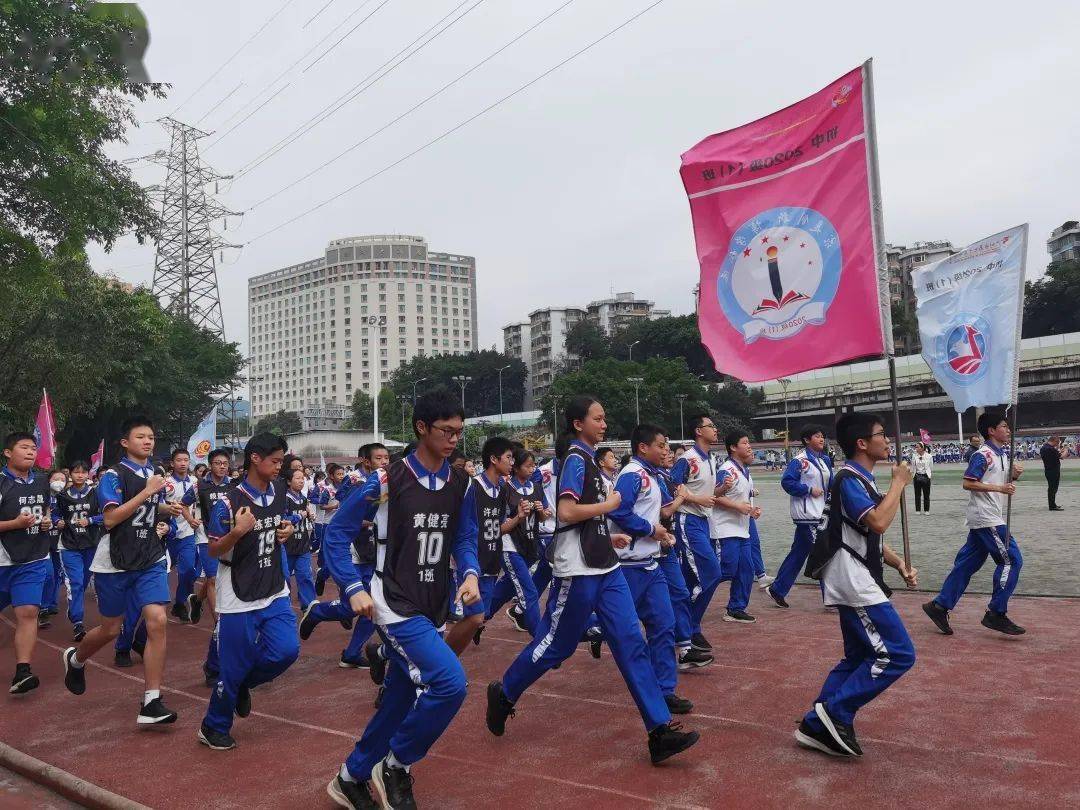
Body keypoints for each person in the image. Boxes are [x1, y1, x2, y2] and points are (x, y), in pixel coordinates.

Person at [485, 396, 699, 766]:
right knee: (557, 646)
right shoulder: (575, 459)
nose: (604, 424)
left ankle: (659, 730)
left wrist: (608, 533)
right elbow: (567, 511)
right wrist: (611, 505)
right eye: (597, 419)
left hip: (606, 564)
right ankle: (505, 692)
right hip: (578, 569)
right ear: (577, 423)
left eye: (604, 418)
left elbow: (585, 516)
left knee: (631, 641)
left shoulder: (594, 465)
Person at [323, 392, 480, 809]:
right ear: (421, 428)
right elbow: (336, 535)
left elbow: (464, 538)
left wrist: (469, 573)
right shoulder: (387, 481)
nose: (453, 440)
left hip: (435, 602)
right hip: (393, 601)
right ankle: (396, 764)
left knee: (401, 698)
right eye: (446, 431)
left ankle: (351, 775)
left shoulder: (461, 484)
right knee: (449, 683)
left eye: (459, 433)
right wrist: (353, 589)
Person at [795, 412, 917, 758]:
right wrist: (899, 484)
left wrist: (898, 564)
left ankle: (815, 724)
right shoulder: (849, 478)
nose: (888, 440)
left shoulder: (858, 479)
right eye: (882, 435)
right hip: (852, 578)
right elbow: (878, 522)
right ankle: (835, 712)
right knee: (898, 653)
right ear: (862, 443)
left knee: (860, 655)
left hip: (853, 572)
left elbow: (862, 533)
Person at [62, 416, 182, 725]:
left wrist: (168, 508)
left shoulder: (152, 473)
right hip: (114, 561)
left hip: (150, 557)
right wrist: (148, 492)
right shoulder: (112, 476)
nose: (148, 441)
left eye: (151, 437)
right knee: (111, 629)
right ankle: (75, 659)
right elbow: (112, 519)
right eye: (141, 436)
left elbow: (147, 507)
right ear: (125, 442)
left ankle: (151, 701)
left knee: (157, 621)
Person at [197, 433, 301, 750]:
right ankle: (213, 725)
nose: (280, 466)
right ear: (255, 458)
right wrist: (238, 532)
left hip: (273, 587)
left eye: (282, 460)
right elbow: (214, 549)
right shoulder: (229, 502)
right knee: (233, 667)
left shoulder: (280, 490)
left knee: (286, 650)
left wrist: (287, 528)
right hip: (238, 593)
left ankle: (243, 684)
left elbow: (282, 520)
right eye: (275, 461)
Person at [608, 423, 694, 715]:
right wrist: (649, 530)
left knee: (664, 625)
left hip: (651, 564)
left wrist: (661, 535)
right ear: (643, 447)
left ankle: (664, 690)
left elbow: (652, 514)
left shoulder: (651, 475)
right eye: (661, 445)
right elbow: (619, 512)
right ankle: (585, 630)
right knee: (622, 633)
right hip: (628, 567)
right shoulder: (632, 475)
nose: (666, 451)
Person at [923, 411, 1026, 637]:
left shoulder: (1002, 455)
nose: (1009, 430)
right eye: (1004, 426)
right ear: (991, 431)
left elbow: (996, 481)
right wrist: (1001, 488)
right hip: (987, 517)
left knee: (967, 565)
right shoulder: (983, 455)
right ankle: (996, 612)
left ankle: (939, 606)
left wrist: (1014, 476)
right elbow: (968, 483)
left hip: (985, 517)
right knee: (1011, 560)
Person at [449, 436, 526, 652]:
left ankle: (444, 663)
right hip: (471, 562)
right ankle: (444, 666)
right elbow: (462, 528)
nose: (512, 462)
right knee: (473, 617)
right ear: (494, 459)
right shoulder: (472, 488)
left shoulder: (501, 490)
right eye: (509, 457)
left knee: (478, 618)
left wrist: (518, 518)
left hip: (492, 563)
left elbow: (499, 528)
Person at [1, 432, 54, 694]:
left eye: (34, 448)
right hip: (2, 560)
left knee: (28, 612)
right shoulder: (1, 483)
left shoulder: (42, 481)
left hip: (32, 558)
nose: (31, 452)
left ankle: (23, 671)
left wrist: (46, 521)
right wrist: (15, 525)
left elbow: (46, 510)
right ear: (8, 453)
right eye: (24, 448)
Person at [670, 414, 723, 653]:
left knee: (691, 579)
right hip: (688, 521)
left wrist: (722, 489)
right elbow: (673, 485)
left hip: (704, 521)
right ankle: (689, 626)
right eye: (710, 426)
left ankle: (685, 628)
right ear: (698, 431)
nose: (715, 429)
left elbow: (707, 493)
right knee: (712, 573)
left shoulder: (711, 459)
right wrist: (695, 498)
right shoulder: (688, 459)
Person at [485, 446, 548, 636]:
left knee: (506, 588)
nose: (532, 469)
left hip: (530, 544)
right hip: (510, 545)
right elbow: (500, 524)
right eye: (528, 466)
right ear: (517, 467)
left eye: (534, 466)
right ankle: (539, 638)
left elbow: (544, 517)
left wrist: (540, 511)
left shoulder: (536, 487)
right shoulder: (505, 489)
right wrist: (519, 516)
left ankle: (480, 618)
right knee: (529, 593)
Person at [768, 424, 832, 609]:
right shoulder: (799, 461)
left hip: (822, 514)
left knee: (799, 553)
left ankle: (778, 589)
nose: (821, 439)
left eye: (823, 436)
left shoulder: (825, 460)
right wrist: (809, 490)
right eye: (817, 436)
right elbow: (787, 482)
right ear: (806, 440)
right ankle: (832, 597)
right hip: (807, 515)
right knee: (823, 554)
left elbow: (832, 484)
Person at [712, 431, 761, 624]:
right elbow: (713, 496)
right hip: (725, 528)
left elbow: (741, 499)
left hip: (742, 528)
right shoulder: (726, 470)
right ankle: (693, 592)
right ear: (733, 447)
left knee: (746, 570)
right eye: (745, 443)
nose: (749, 446)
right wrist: (739, 507)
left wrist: (750, 510)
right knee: (726, 569)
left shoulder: (744, 471)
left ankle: (736, 608)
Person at [55, 460, 103, 641]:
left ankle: (75, 609)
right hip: (69, 545)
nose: (80, 475)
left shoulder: (95, 493)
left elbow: (107, 513)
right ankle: (77, 622)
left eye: (83, 472)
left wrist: (90, 521)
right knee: (75, 582)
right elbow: (53, 513)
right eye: (76, 472)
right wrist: (55, 521)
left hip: (90, 543)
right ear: (71, 474)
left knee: (83, 581)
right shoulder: (62, 496)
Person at [164, 449, 199, 623]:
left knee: (188, 570)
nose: (183, 463)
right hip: (166, 534)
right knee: (163, 572)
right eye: (179, 460)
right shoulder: (166, 483)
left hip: (187, 533)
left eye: (186, 460)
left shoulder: (195, 482)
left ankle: (180, 603)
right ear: (172, 463)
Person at [283, 468, 317, 610]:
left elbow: (304, 517)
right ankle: (283, 608)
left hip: (302, 544)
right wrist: (299, 516)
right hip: (287, 545)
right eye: (297, 478)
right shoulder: (284, 498)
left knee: (305, 576)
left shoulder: (303, 498)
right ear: (289, 481)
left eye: (302, 478)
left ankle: (309, 608)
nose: (301, 481)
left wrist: (310, 516)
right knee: (284, 579)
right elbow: (283, 520)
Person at [39, 470, 68, 626]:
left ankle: (52, 603)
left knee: (58, 574)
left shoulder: (67, 497)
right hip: (43, 541)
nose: (59, 481)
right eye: (55, 478)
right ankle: (43, 607)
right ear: (48, 480)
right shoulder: (41, 496)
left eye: (62, 479)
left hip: (61, 542)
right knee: (48, 573)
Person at [1040, 436, 1063, 511]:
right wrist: (1066, 450)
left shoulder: (1044, 448)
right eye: (1057, 442)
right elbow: (1062, 456)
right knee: (1053, 488)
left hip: (1048, 470)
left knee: (1052, 488)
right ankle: (1052, 506)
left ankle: (1052, 504)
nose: (1057, 444)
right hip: (1053, 470)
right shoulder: (1050, 448)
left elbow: (1056, 454)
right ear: (1054, 441)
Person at [912, 442, 933, 514]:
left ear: (922, 448)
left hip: (926, 476)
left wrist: (928, 475)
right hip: (917, 476)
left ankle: (926, 510)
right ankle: (918, 510)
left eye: (917, 447)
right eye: (916, 447)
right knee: (917, 494)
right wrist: (913, 475)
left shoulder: (929, 456)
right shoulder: (914, 456)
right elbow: (913, 467)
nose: (916, 448)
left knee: (926, 494)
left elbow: (931, 467)